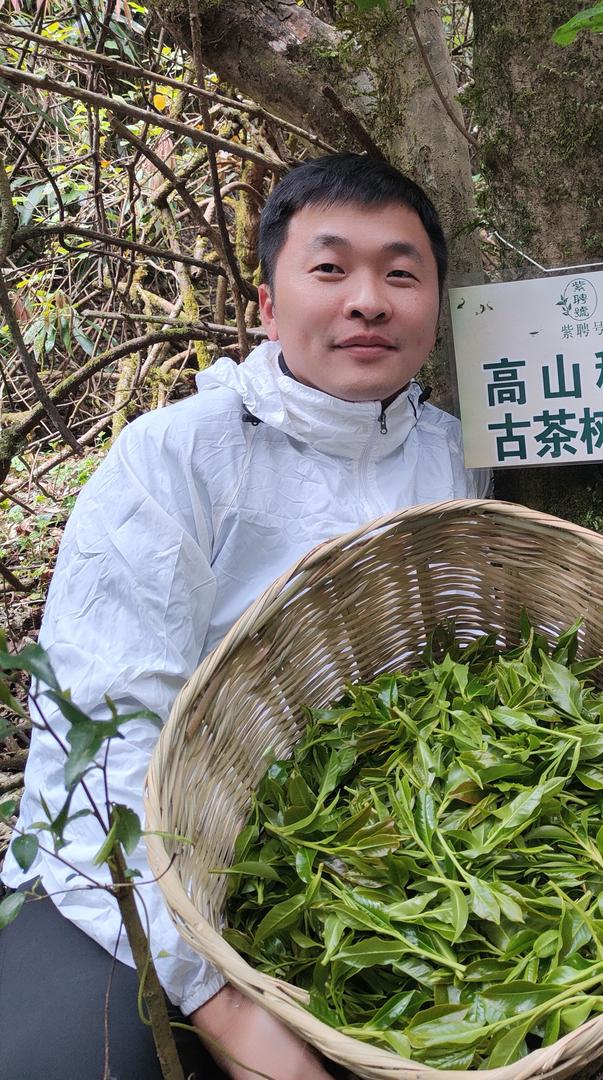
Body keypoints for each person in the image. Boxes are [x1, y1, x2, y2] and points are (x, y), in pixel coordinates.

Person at [0, 153, 490, 1079]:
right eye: (330, 268)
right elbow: (102, 734)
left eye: (400, 272)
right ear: (267, 306)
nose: (368, 301)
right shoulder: (177, 458)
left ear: (436, 304)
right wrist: (214, 995)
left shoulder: (462, 461)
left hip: (383, 868)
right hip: (157, 863)